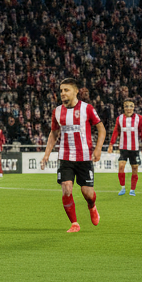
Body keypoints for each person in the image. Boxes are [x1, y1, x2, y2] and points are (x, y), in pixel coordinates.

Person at [40, 78, 105, 233]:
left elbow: (101, 129)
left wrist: (98, 149)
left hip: (84, 157)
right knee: (67, 188)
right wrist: (46, 155)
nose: (62, 93)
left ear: (76, 91)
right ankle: (74, 223)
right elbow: (54, 133)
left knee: (87, 193)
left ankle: (92, 206)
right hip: (65, 157)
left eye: (66, 90)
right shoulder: (57, 111)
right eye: (61, 90)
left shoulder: (87, 108)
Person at [108, 99, 142, 196]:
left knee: (134, 169)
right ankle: (122, 188)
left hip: (134, 148)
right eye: (126, 106)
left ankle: (132, 190)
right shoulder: (120, 118)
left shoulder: (139, 118)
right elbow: (116, 131)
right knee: (121, 167)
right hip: (123, 147)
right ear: (124, 108)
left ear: (134, 108)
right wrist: (111, 144)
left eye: (131, 106)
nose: (129, 108)